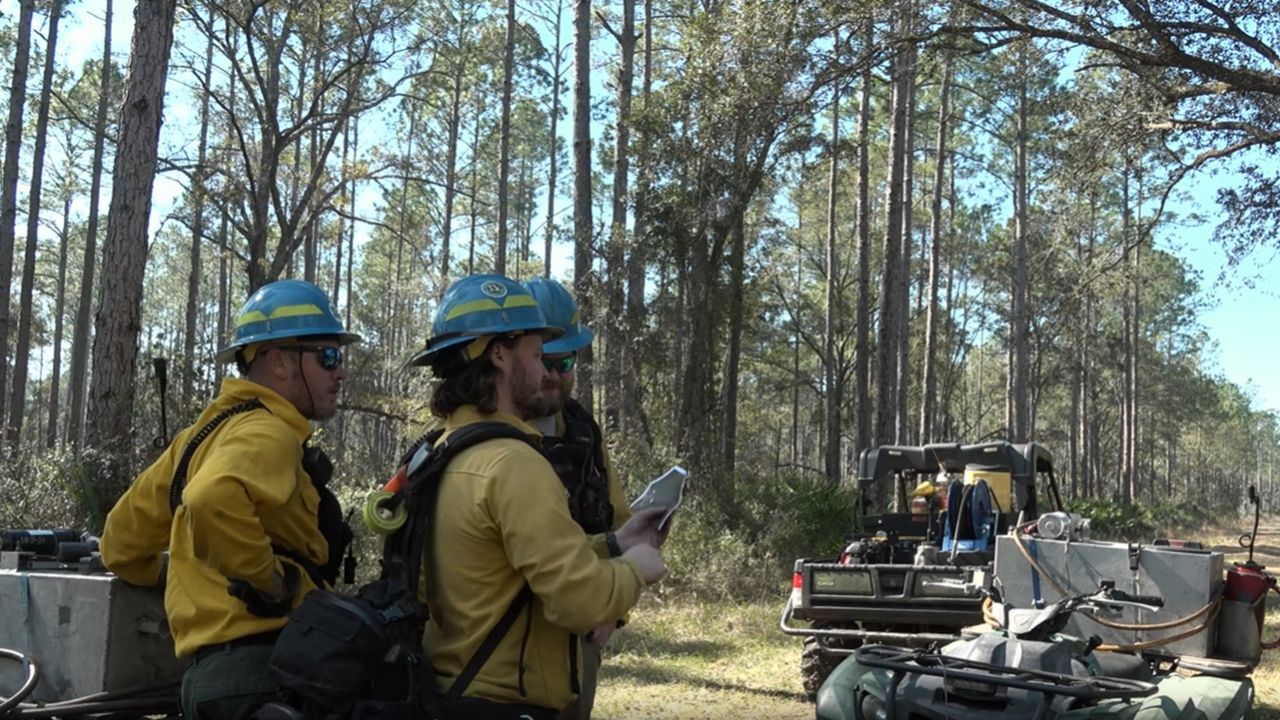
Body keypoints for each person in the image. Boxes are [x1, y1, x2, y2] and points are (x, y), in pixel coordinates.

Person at [408, 274, 668, 719]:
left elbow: (502, 563)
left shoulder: (435, 452)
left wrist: (613, 544)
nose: (546, 369)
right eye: (536, 353)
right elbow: (576, 599)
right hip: (505, 698)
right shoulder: (515, 464)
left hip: (449, 691)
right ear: (500, 355)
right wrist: (634, 570)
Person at [101, 279, 360, 720]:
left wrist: (183, 572)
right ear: (278, 360)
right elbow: (209, 499)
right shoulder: (269, 432)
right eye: (328, 356)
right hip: (266, 676)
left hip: (208, 683)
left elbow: (119, 546)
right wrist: (270, 581)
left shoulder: (196, 439)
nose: (339, 371)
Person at [521, 277, 629, 720]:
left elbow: (618, 524)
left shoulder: (585, 433)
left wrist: (614, 611)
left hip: (578, 641)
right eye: (541, 360)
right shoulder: (481, 438)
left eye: (563, 361)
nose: (551, 375)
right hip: (504, 646)